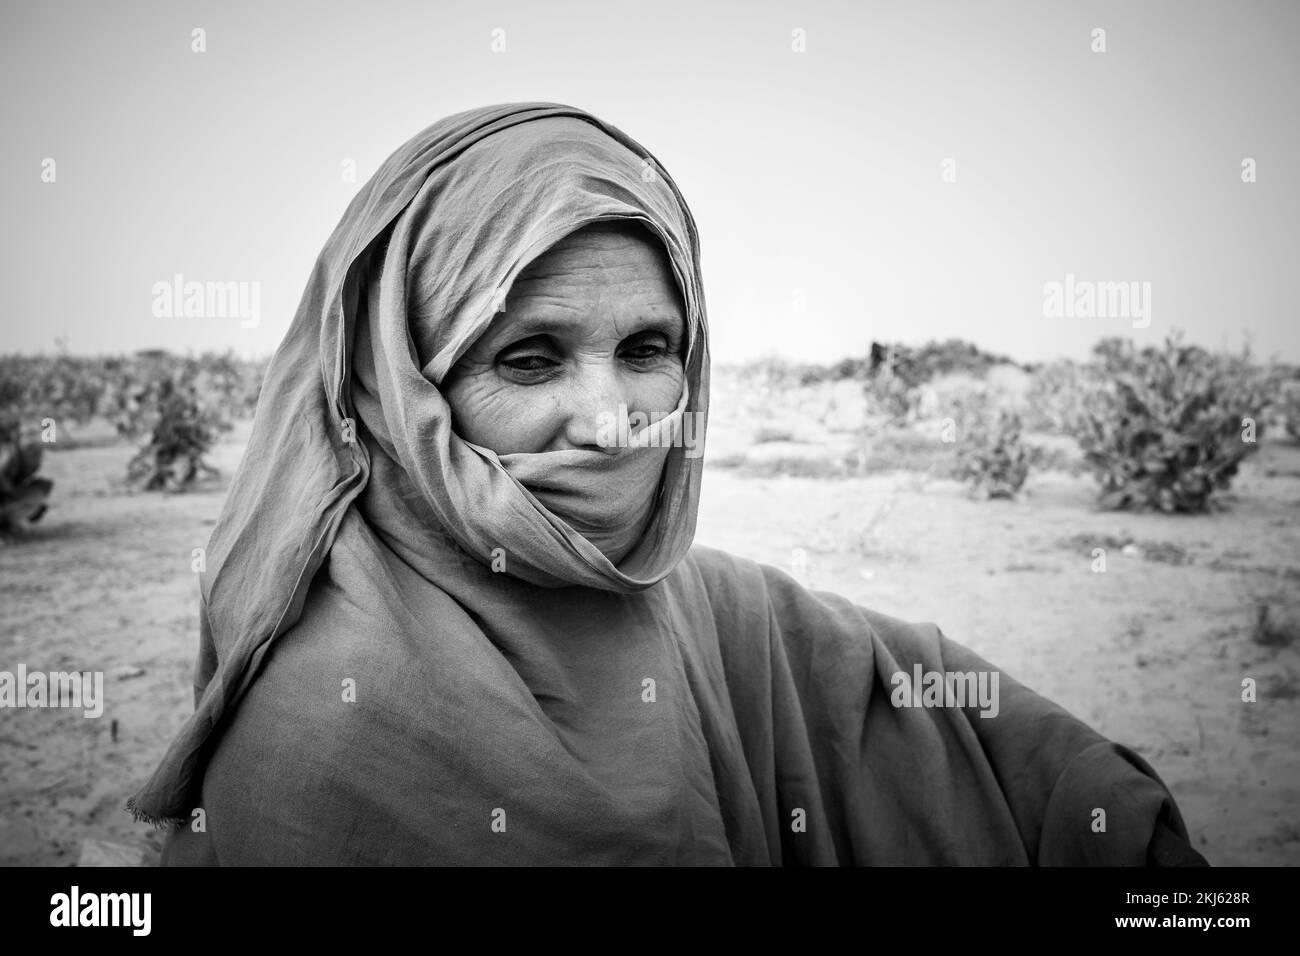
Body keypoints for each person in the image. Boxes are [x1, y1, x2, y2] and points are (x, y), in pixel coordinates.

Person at [128, 102, 1206, 866]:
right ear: (398, 380)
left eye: (649, 347)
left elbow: (907, 696)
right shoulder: (332, 729)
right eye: (528, 357)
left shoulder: (687, 604)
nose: (612, 418)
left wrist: (1092, 803)